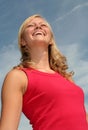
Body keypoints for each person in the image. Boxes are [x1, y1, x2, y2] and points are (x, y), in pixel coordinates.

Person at [0, 14, 88, 130]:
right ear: (22, 41)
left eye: (43, 25)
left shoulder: (66, 77)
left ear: (51, 39)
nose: (38, 26)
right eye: (31, 25)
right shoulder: (18, 76)